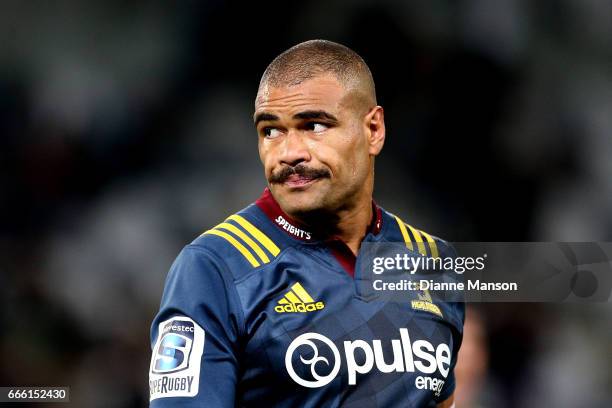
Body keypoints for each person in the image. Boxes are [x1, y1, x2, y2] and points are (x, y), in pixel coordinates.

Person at [149, 39, 464, 408]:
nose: (288, 153)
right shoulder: (214, 268)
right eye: (271, 131)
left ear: (374, 130)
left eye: (314, 125)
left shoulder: (434, 263)